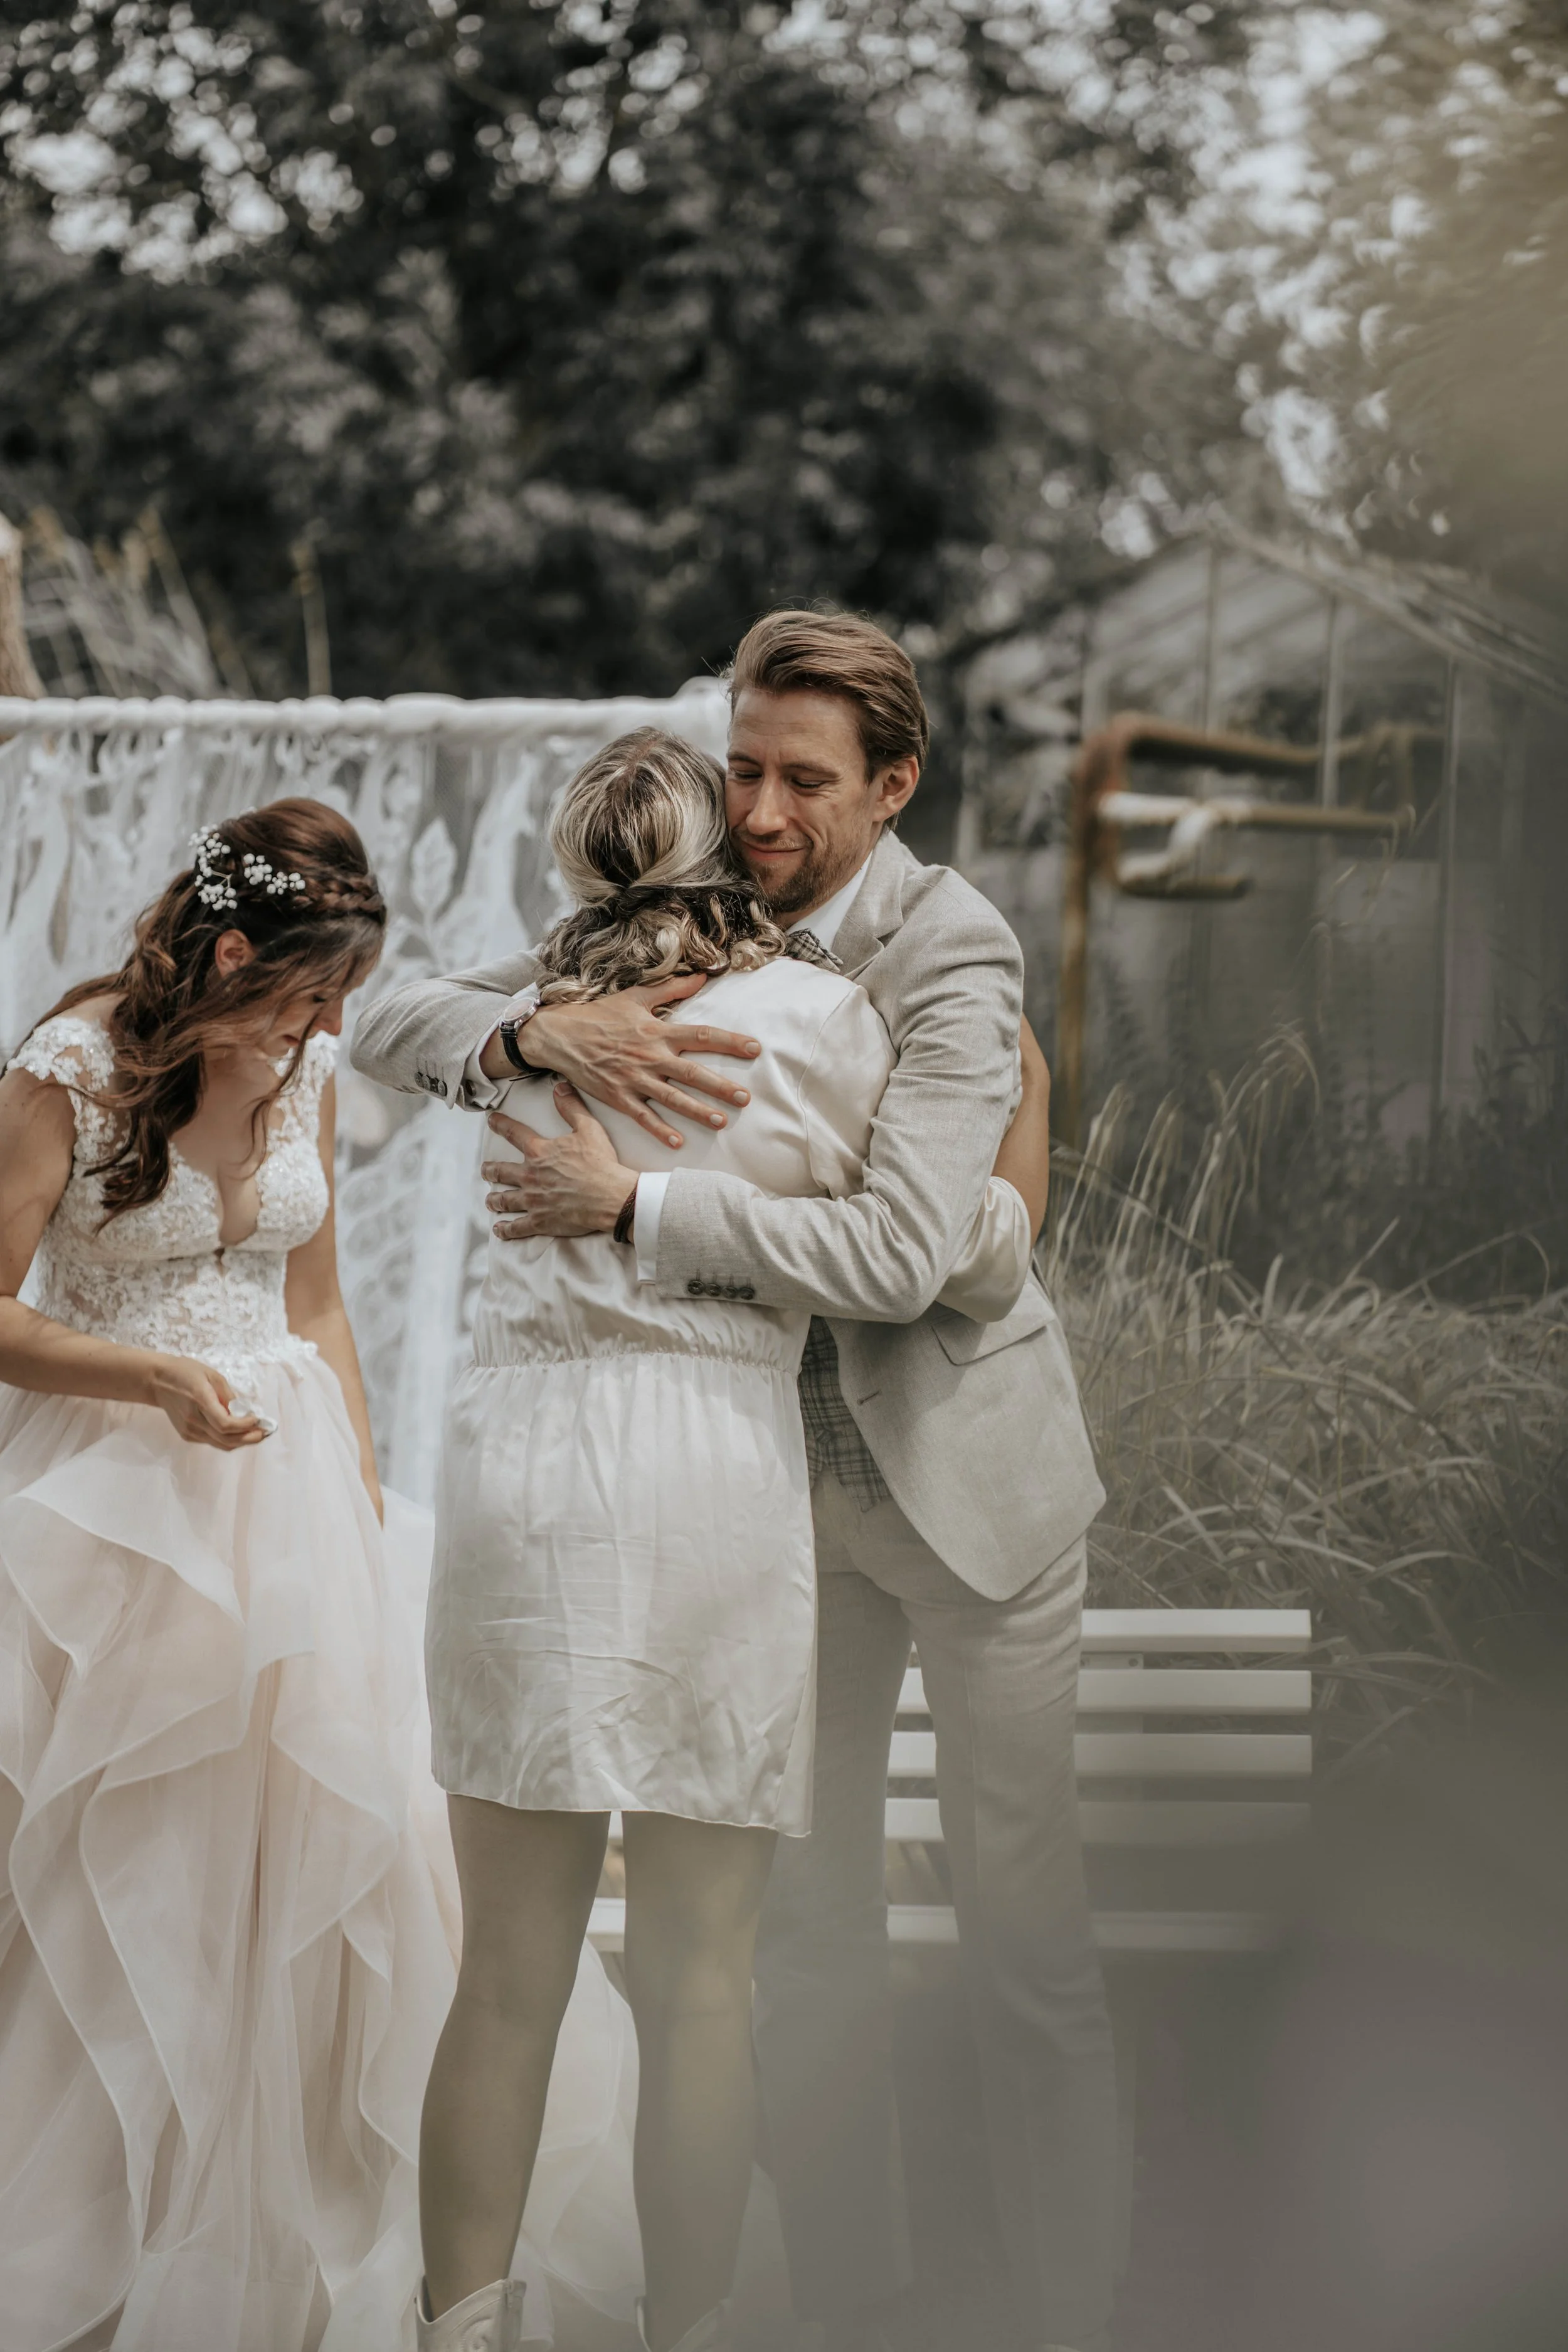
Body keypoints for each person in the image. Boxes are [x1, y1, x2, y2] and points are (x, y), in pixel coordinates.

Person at [351, 611, 1115, 2352]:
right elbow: (399, 1012)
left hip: (949, 1481)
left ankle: (1080, 2308)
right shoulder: (663, 977)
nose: (762, 807)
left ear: (892, 786)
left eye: (803, 780)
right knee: (785, 1950)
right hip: (752, 1493)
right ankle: (836, 2301)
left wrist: (632, 1199)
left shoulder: (946, 945)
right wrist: (542, 1034)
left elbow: (927, 1248)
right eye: (743, 768)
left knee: (1020, 1943)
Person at [0, 801, 637, 2352]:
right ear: (228, 955)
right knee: (114, 1866)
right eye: (308, 993)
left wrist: (348, 1492)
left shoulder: (309, 1074)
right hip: (98, 1507)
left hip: (284, 1506)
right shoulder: (64, 1075)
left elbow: (324, 1303)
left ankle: (278, 2227)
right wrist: (148, 1382)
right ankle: (87, 2221)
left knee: (310, 1873)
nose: (330, 1026)